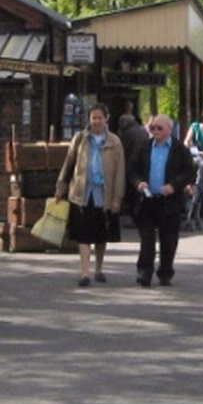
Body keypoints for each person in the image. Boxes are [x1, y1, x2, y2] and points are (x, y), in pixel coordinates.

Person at [55, 103, 125, 287]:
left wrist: (118, 197)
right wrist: (60, 188)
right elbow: (68, 164)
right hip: (82, 193)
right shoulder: (80, 139)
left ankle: (99, 268)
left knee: (101, 235)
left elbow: (120, 172)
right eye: (93, 118)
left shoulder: (114, 142)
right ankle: (85, 273)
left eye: (100, 118)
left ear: (106, 119)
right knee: (83, 235)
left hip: (104, 194)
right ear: (89, 119)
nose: (96, 121)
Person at [127, 113, 194, 286]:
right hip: (148, 201)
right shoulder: (145, 147)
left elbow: (189, 172)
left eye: (159, 128)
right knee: (147, 241)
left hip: (170, 203)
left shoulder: (180, 149)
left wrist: (174, 185)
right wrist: (139, 183)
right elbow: (132, 170)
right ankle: (144, 272)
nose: (155, 131)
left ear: (169, 130)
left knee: (169, 241)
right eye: (152, 128)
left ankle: (165, 272)